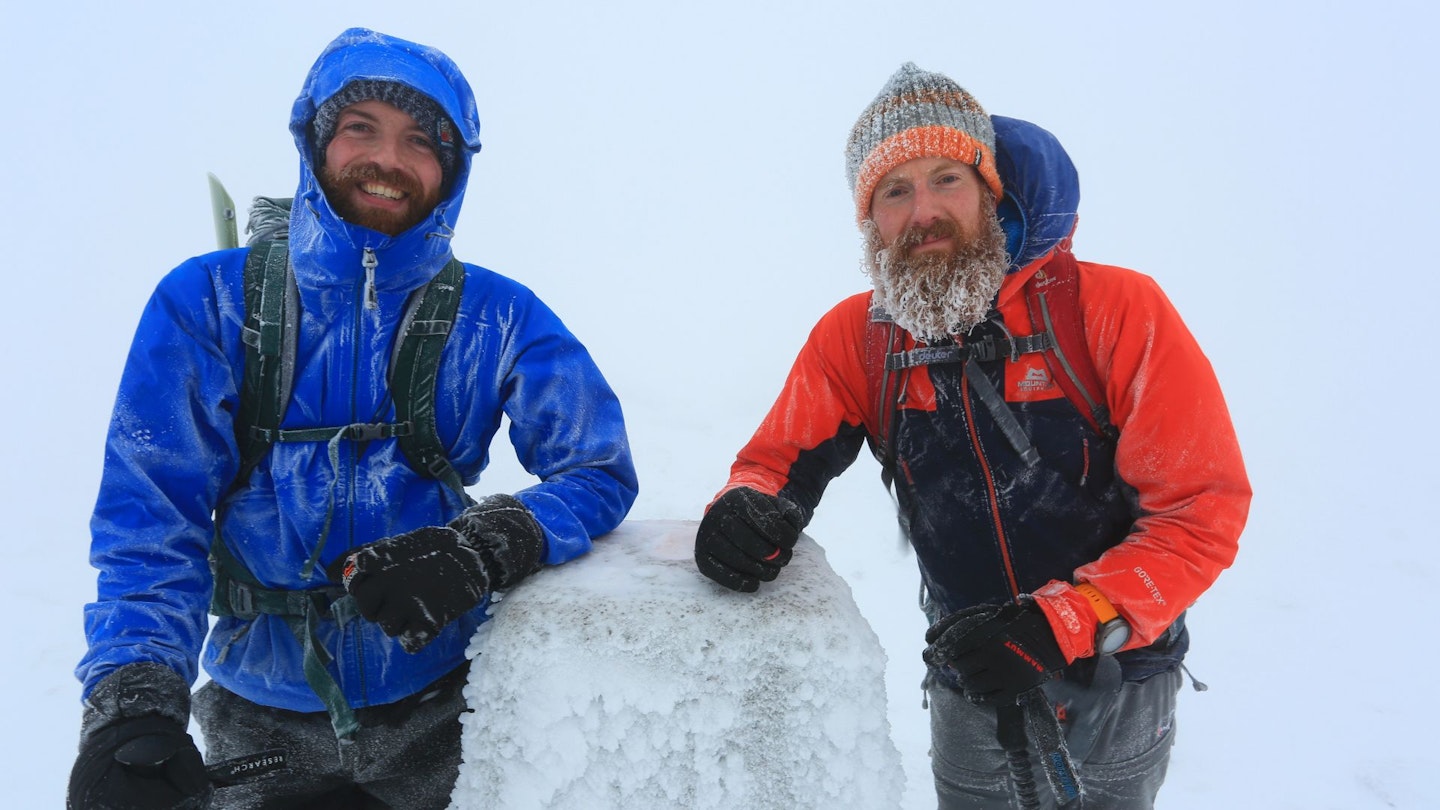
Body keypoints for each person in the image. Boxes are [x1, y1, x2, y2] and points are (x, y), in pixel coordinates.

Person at [69, 28, 638, 810]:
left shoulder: (499, 318)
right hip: (255, 724)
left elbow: (598, 468)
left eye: (419, 140)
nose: (388, 158)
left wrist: (477, 548)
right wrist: (132, 705)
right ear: (316, 142)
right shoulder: (204, 304)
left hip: (445, 710)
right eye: (360, 128)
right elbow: (149, 523)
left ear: (454, 167)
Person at [694, 63, 1250, 809]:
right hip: (970, 686)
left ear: (989, 190)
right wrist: (742, 513)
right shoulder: (857, 342)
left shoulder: (1115, 312)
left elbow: (1199, 513)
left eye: (945, 178)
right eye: (895, 190)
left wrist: (1063, 623)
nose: (923, 210)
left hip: (1121, 682)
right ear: (870, 220)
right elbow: (772, 466)